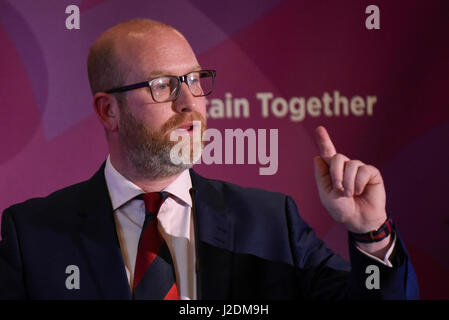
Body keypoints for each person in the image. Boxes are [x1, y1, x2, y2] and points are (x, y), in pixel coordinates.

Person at [0, 19, 418, 300]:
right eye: (163, 85)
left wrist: (371, 235)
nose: (190, 103)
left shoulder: (272, 221)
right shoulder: (32, 234)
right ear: (109, 111)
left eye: (196, 81)